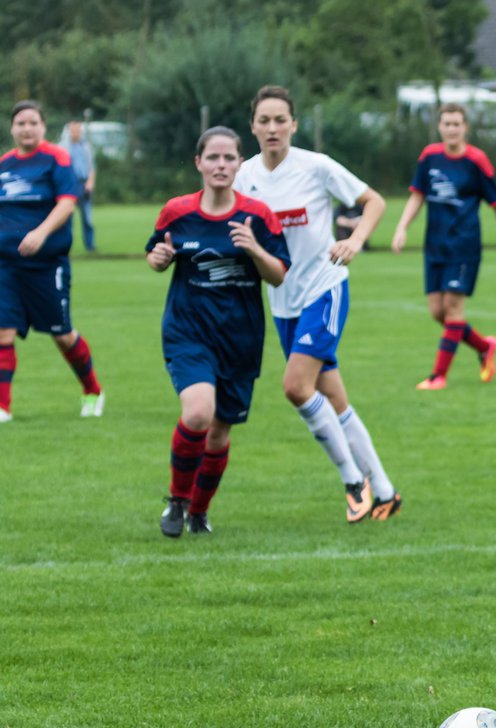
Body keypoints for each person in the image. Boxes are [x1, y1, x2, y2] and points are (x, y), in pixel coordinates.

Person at [234, 85, 401, 523]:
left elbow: (374, 202)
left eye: (280, 120)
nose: (272, 128)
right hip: (281, 300)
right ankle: (384, 490)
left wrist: (356, 240)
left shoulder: (316, 166)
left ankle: (353, 482)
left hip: (324, 290)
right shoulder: (245, 175)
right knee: (334, 397)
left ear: (294, 124)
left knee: (295, 386)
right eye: (264, 120)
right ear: (253, 126)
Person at [146, 127, 291, 536]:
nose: (221, 165)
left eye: (229, 158)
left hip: (240, 338)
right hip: (188, 331)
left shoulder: (258, 215)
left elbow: (278, 275)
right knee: (197, 412)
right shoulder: (177, 211)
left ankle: (199, 513)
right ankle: (176, 500)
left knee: (219, 431)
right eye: (213, 157)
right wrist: (158, 259)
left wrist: (254, 248)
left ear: (238, 164)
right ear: (199, 163)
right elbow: (157, 255)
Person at [390, 103, 496, 391]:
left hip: (464, 245)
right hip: (434, 245)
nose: (451, 128)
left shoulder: (477, 160)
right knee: (438, 312)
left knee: (452, 308)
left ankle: (438, 376)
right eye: (446, 123)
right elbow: (417, 196)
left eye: (456, 124)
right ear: (439, 127)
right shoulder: (429, 156)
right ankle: (485, 346)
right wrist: (401, 228)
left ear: (465, 128)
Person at [0, 100, 104, 423]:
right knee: (3, 333)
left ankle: (92, 391)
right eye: (21, 123)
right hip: (7, 265)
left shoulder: (56, 159)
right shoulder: (4, 163)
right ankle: (2, 407)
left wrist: (40, 233)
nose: (27, 128)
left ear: (43, 127)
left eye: (33, 122)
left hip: (47, 265)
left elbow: (67, 204)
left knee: (62, 335)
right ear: (12, 128)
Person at [60, 120, 96, 252]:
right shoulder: (63, 147)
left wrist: (90, 183)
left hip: (84, 184)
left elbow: (92, 167)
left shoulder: (86, 147)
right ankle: (65, 245)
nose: (76, 133)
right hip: (70, 184)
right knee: (67, 217)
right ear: (69, 131)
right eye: (74, 130)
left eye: (78, 130)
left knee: (87, 218)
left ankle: (90, 245)